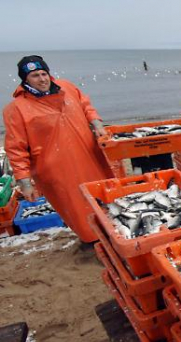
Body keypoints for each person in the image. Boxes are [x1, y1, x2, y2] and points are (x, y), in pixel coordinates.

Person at [3, 55, 113, 244]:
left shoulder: (67, 87)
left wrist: (96, 123)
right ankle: (94, 243)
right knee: (78, 209)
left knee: (106, 198)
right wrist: (25, 182)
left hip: (90, 157)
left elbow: (86, 105)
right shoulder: (16, 109)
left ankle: (115, 235)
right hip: (57, 171)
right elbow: (16, 148)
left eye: (44, 73)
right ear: (25, 80)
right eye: (35, 76)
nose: (42, 79)